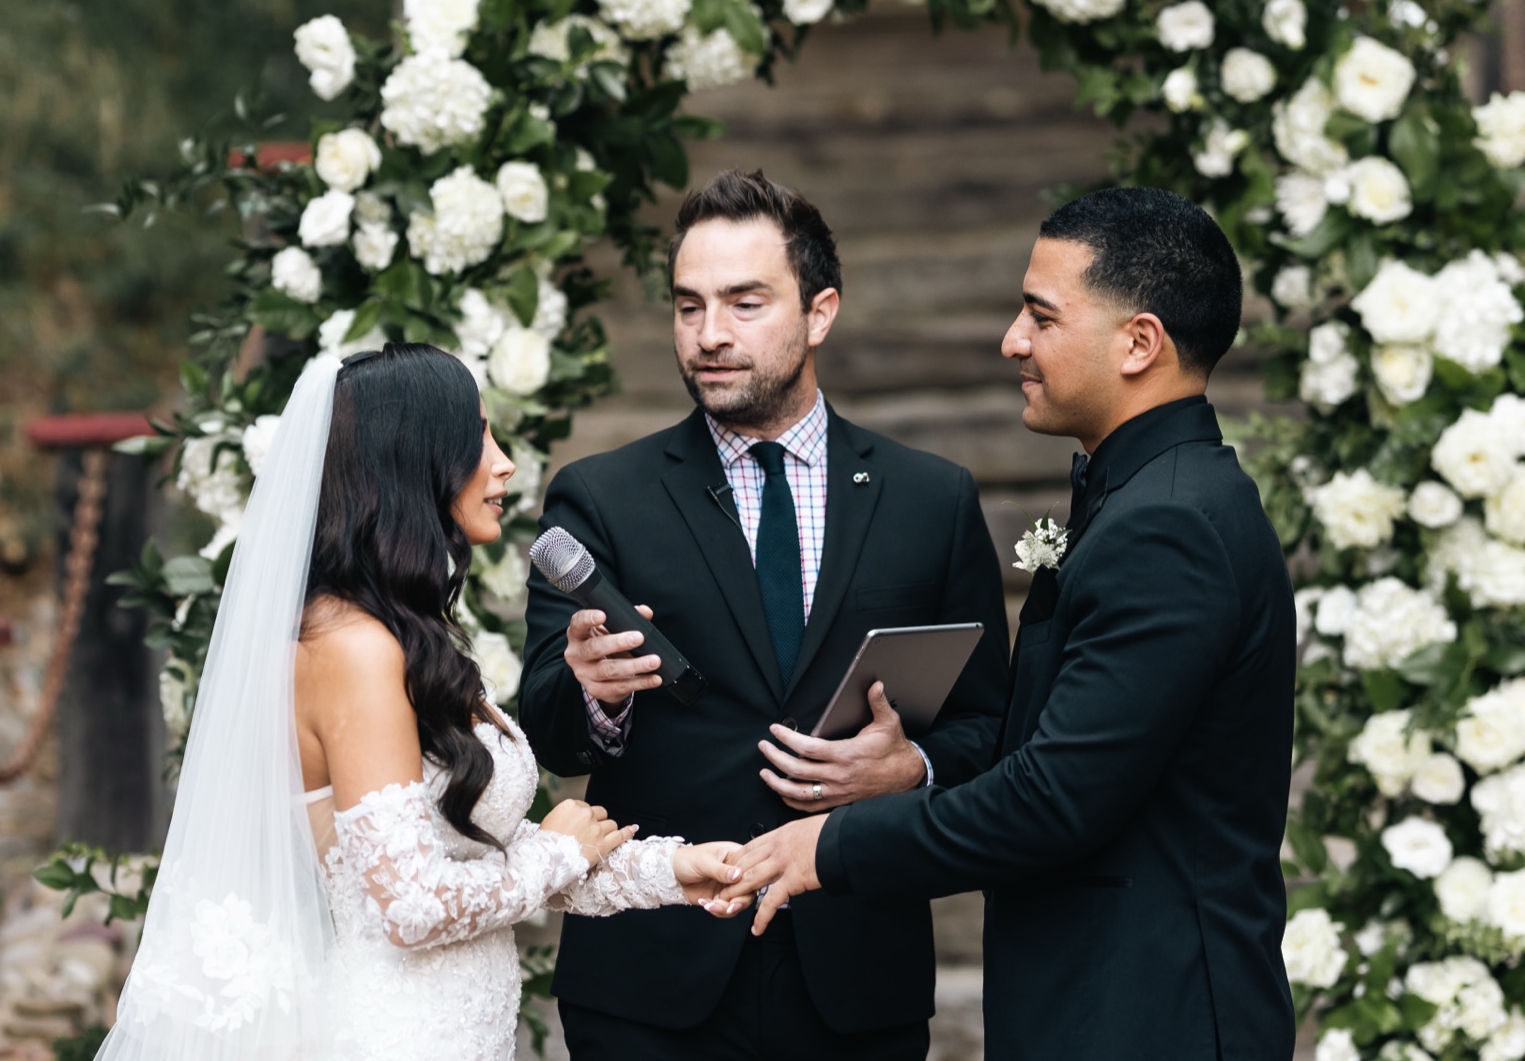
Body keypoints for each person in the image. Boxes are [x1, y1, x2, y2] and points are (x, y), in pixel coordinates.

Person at [721, 186, 1298, 1060]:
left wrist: (831, 845)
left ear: (1140, 343)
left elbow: (1055, 798)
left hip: (1149, 1012)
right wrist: (912, 768)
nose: (1012, 341)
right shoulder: (1150, 498)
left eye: (1041, 316)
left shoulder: (1168, 525)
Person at [95, 343, 741, 1061]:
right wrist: (557, 851)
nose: (503, 465)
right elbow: (411, 904)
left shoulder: (405, 637)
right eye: (479, 439)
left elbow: (475, 857)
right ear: (413, 462)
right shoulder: (352, 648)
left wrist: (671, 872)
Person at [519, 169, 1011, 1059]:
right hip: (652, 983)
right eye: (688, 306)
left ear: (820, 312)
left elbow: (988, 726)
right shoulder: (600, 497)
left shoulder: (930, 499)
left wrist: (913, 767)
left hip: (857, 973)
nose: (710, 335)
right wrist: (596, 694)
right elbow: (550, 733)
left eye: (745, 303)